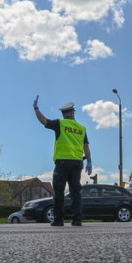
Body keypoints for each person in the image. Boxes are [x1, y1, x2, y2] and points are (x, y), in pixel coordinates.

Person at [34, 96, 92, 226]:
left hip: (62, 164)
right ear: (72, 113)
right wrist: (89, 161)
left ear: (64, 114)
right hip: (77, 164)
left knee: (59, 192)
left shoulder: (60, 124)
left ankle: (58, 220)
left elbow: (43, 121)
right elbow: (86, 146)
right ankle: (77, 220)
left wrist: (36, 109)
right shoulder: (81, 128)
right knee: (75, 192)